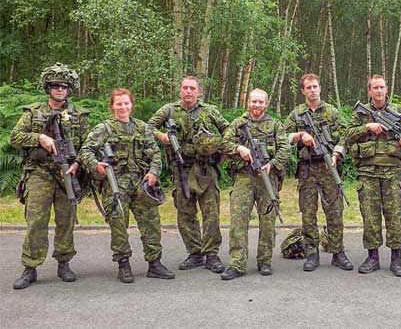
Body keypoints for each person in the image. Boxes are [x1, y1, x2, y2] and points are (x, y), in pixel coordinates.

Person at [80, 88, 174, 283]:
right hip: (116, 184)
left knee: (151, 223)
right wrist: (96, 165)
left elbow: (155, 153)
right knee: (118, 225)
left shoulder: (142, 127)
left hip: (141, 183)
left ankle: (155, 263)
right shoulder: (103, 129)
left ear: (132, 104)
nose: (123, 107)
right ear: (112, 106)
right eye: (119, 104)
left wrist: (154, 172)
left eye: (126, 103)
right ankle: (123, 264)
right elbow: (86, 150)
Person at [11, 63, 89, 289]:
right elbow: (15, 137)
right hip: (39, 174)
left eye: (63, 86)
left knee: (66, 221)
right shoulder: (33, 112)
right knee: (36, 221)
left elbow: (88, 146)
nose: (59, 90)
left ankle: (64, 263)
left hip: (67, 174)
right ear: (48, 87)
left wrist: (77, 163)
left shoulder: (78, 115)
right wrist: (39, 138)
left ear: (69, 89)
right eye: (55, 86)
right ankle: (30, 267)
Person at [147, 76, 229, 273]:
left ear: (199, 92)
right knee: (185, 214)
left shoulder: (210, 111)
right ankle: (195, 253)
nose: (188, 92)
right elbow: (148, 127)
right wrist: (162, 137)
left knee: (211, 214)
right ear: (180, 91)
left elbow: (228, 129)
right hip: (181, 169)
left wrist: (217, 149)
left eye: (192, 88)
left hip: (206, 169)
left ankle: (211, 254)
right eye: (185, 88)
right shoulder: (169, 110)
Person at [284, 73, 353, 272]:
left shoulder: (332, 112)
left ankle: (337, 251)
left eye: (315, 86)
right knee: (308, 212)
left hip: (329, 167)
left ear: (320, 88)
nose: (312, 90)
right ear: (303, 91)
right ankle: (311, 252)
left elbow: (345, 136)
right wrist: (300, 136)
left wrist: (337, 153)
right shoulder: (296, 114)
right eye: (309, 87)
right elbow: (282, 136)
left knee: (334, 211)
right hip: (307, 170)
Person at [220, 88, 291, 280]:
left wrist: (272, 164)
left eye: (261, 102)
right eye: (254, 101)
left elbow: (286, 148)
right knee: (238, 222)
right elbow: (223, 143)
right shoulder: (238, 123)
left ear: (266, 104)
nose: (257, 105)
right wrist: (239, 148)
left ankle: (265, 260)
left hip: (267, 179)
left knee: (268, 222)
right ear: (248, 102)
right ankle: (237, 263)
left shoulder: (275, 125)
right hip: (244, 178)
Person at [346, 75, 401, 277]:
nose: (379, 91)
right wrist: (367, 127)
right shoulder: (360, 113)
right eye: (375, 87)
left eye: (382, 87)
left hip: (393, 173)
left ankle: (396, 258)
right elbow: (346, 135)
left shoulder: (398, 111)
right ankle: (372, 257)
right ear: (369, 91)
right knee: (370, 216)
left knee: (394, 216)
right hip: (367, 173)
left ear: (387, 89)